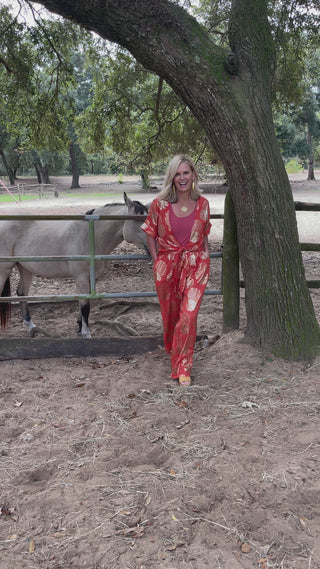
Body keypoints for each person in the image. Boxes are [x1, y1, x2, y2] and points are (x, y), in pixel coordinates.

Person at [141, 155, 211, 386]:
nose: (182, 178)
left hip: (196, 267)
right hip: (167, 268)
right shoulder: (159, 204)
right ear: (172, 177)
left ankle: (183, 367)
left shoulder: (202, 204)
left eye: (186, 173)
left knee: (188, 316)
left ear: (193, 175)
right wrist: (156, 260)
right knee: (171, 316)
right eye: (177, 174)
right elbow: (150, 233)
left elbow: (204, 233)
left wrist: (206, 254)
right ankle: (174, 349)